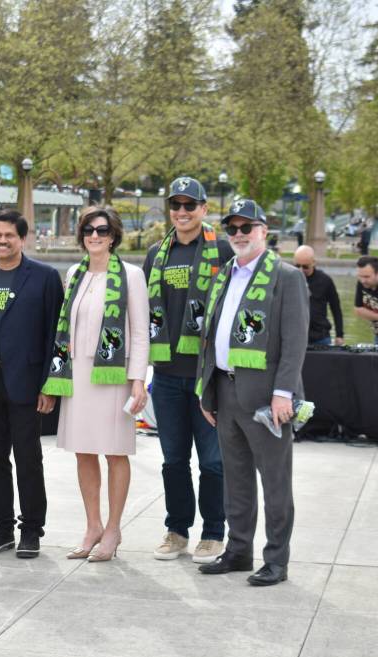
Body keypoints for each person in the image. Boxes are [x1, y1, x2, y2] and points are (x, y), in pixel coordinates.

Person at [196, 199, 309, 587]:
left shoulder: (287, 277)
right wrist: (206, 391)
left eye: (247, 227)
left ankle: (276, 560)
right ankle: (239, 550)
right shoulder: (224, 275)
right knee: (236, 479)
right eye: (233, 228)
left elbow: (295, 342)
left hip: (266, 399)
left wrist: (283, 393)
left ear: (264, 231)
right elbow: (211, 336)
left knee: (275, 482)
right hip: (225, 391)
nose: (239, 234)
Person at [42, 207, 149, 562]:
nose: (94, 235)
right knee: (83, 450)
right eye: (88, 229)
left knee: (115, 451)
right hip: (78, 374)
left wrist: (138, 380)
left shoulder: (132, 275)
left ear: (113, 235)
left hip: (114, 374)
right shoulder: (75, 273)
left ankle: (114, 529)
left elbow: (139, 331)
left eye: (102, 230)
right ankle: (93, 526)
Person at [0, 210, 63, 558]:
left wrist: (50, 385)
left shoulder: (45, 277)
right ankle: (1, 528)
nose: (2, 241)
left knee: (28, 458)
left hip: (28, 383)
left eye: (9, 236)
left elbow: (56, 335)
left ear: (23, 239)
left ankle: (31, 529)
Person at [142, 176, 233, 564]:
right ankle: (177, 530)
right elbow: (142, 311)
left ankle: (213, 534)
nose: (182, 212)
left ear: (204, 209)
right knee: (173, 460)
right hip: (166, 375)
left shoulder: (223, 250)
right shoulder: (155, 254)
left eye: (189, 205)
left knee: (213, 462)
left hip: (206, 378)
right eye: (175, 205)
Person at [293, 245, 343, 346]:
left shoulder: (325, 280)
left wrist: (339, 334)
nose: (301, 270)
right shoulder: (289, 279)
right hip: (294, 336)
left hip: (320, 337)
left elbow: (336, 309)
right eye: (297, 266)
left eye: (305, 267)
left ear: (313, 262)